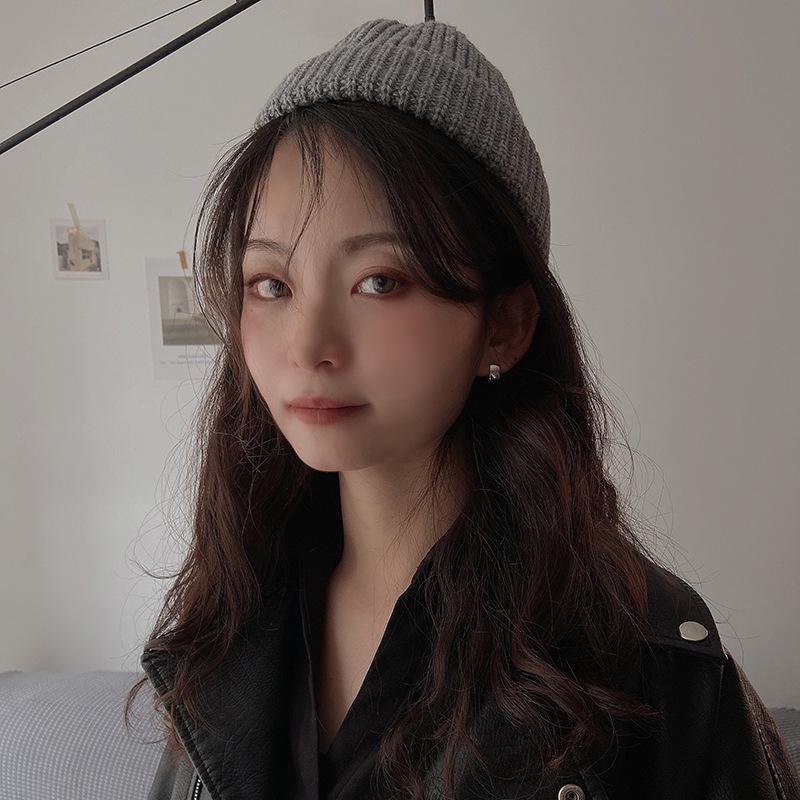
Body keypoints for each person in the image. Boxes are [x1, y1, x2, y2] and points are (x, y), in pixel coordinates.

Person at [129, 12, 800, 800]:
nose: (309, 344)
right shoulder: (230, 621)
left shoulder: (641, 658)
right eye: (271, 284)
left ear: (504, 325)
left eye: (380, 281)